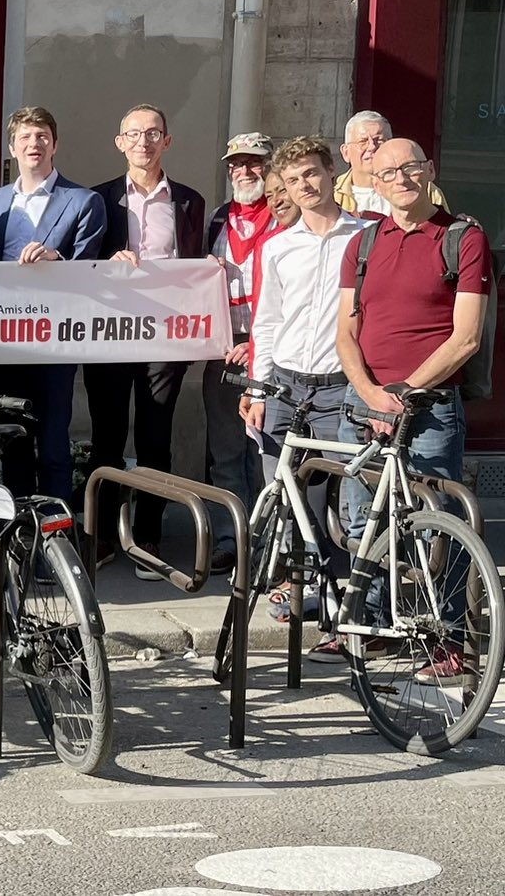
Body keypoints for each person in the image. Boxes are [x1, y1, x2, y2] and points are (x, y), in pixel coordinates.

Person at [335, 138, 492, 684]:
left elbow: (466, 338)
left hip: (428, 408)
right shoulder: (362, 243)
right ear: (372, 181)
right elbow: (345, 333)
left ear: (428, 172)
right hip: (364, 401)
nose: (400, 178)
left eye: (410, 168)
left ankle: (448, 641)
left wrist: (399, 392)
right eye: (387, 171)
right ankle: (373, 624)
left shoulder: (463, 238)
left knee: (436, 527)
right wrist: (370, 392)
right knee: (362, 520)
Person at [244, 136, 365, 662]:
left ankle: (353, 618)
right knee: (289, 501)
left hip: (343, 385)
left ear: (330, 172)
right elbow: (266, 320)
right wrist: (257, 387)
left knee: (351, 505)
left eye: (312, 174)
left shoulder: (365, 237)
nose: (304, 187)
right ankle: (307, 600)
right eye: (293, 181)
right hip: (288, 385)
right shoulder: (277, 246)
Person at [86, 104, 209, 574]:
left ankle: (149, 538)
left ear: (167, 141)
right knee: (107, 438)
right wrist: (105, 259)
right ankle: (101, 539)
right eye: (134, 133)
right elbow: (83, 262)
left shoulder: (190, 202)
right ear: (119, 142)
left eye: (153, 133)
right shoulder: (99, 200)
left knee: (156, 439)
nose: (143, 141)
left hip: (165, 338)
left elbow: (196, 264)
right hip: (110, 335)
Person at [0, 105, 105, 500]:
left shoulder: (84, 201)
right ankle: (21, 529)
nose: (34, 144)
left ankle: (57, 530)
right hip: (7, 338)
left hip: (56, 338)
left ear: (55, 145)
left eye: (42, 137)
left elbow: (90, 270)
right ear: (12, 148)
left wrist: (58, 260)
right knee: (14, 438)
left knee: (53, 441)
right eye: (26, 138)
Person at [203, 132, 281, 571]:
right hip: (224, 348)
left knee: (264, 451)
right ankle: (229, 539)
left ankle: (268, 543)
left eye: (255, 164)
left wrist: (257, 343)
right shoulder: (218, 220)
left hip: (270, 347)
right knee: (226, 448)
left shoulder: (285, 219)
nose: (245, 172)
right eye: (237, 165)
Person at [333, 111, 448, 218]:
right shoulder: (332, 194)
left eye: (380, 140)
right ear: (346, 152)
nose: (372, 147)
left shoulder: (423, 189)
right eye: (363, 142)